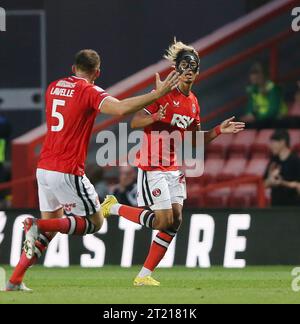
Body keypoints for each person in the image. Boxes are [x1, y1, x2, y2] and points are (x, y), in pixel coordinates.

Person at [6, 49, 180, 291]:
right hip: (67, 170)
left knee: (53, 228)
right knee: (95, 222)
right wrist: (158, 94)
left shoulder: (54, 87)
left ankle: (14, 280)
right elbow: (119, 109)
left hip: (44, 168)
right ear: (97, 72)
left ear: (72, 67)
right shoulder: (89, 91)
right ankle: (36, 224)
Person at [101, 39, 245, 286]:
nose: (188, 71)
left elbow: (194, 142)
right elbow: (135, 122)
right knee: (163, 220)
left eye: (193, 67)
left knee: (176, 220)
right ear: (177, 70)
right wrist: (155, 115)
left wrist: (219, 130)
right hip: (152, 165)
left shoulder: (194, 103)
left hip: (173, 166)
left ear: (198, 72)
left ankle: (144, 276)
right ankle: (113, 207)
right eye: (184, 67)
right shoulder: (164, 94)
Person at [243, 62, 287, 128]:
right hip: (261, 119)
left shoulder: (273, 88)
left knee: (254, 125)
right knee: (237, 124)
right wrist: (250, 114)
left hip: (276, 119)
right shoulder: (253, 90)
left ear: (263, 75)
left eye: (256, 74)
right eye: (252, 74)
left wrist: (257, 118)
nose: (252, 77)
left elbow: (273, 111)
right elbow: (251, 106)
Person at [264, 129, 300, 206]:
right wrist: (270, 181)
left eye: (273, 143)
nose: (271, 146)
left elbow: (297, 185)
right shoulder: (273, 161)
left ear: (282, 142)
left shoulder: (295, 161)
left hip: (292, 208)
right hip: (275, 206)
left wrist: (282, 183)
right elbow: (264, 184)